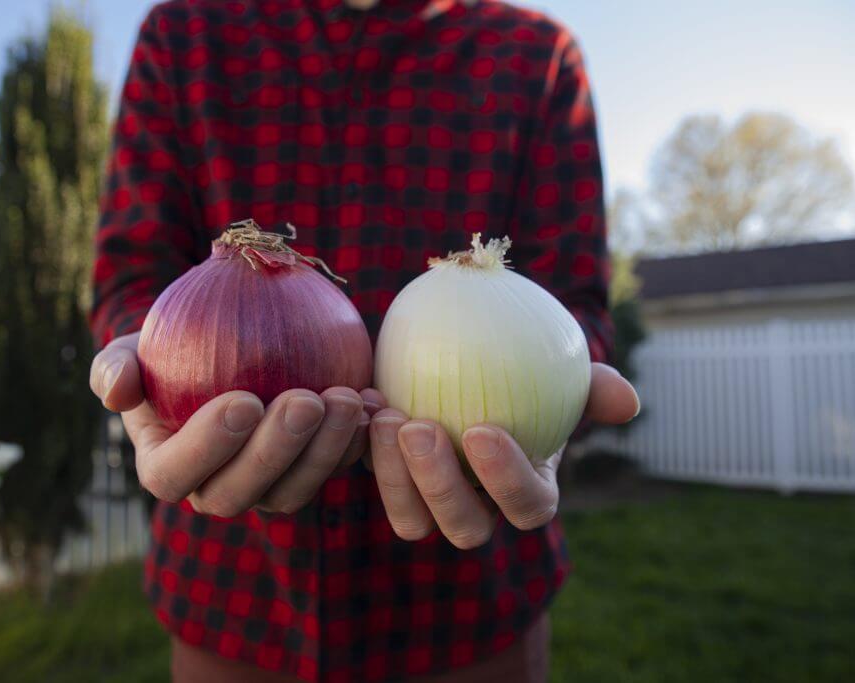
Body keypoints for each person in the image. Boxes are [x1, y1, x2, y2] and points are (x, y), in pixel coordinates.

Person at [89, 0, 639, 680]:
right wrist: (142, 364)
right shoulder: (184, 32)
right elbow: (134, 276)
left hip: (473, 602)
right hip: (234, 592)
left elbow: (572, 304)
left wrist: (560, 396)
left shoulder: (538, 54)